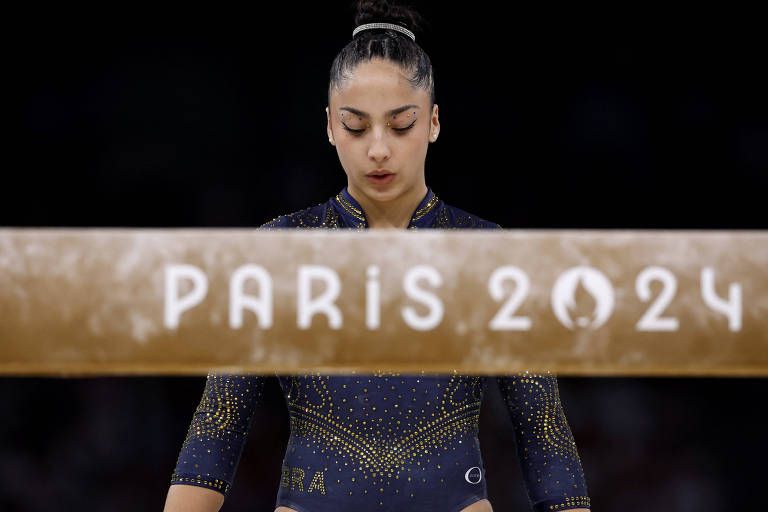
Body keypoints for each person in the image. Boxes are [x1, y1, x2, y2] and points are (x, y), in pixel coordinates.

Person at [163, 1, 591, 511]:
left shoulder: (492, 257)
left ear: (433, 122)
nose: (379, 150)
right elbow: (217, 429)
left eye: (402, 125)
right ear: (328, 126)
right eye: (356, 126)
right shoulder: (278, 253)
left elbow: (544, 436)